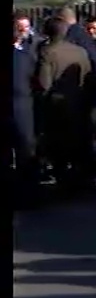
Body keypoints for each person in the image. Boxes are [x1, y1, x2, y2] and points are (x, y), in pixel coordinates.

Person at [34, 16, 95, 193]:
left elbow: (44, 83)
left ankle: (63, 183)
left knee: (58, 146)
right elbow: (89, 77)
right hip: (80, 103)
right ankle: (82, 180)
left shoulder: (47, 51)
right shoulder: (80, 51)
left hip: (56, 107)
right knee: (79, 144)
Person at [12, 13, 40, 206]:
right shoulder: (24, 57)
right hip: (22, 110)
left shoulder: (26, 53)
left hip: (22, 108)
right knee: (25, 153)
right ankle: (28, 195)